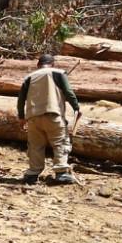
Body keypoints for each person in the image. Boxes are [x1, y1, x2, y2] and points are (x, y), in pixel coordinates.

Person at [15, 53, 81, 185]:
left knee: (35, 145)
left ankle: (32, 174)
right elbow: (68, 92)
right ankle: (61, 172)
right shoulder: (59, 73)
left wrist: (22, 117)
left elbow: (21, 99)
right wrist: (76, 107)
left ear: (38, 65)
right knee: (60, 142)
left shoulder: (29, 77)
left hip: (33, 117)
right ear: (52, 64)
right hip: (53, 114)